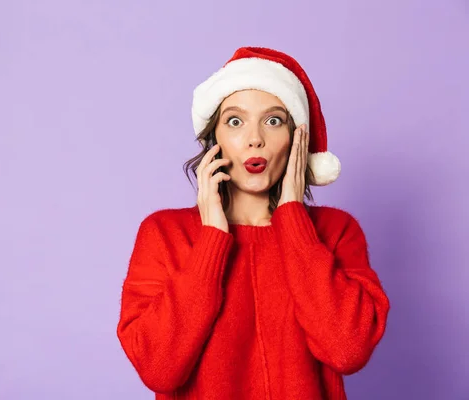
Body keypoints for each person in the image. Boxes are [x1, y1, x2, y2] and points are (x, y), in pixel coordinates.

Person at [116, 46, 390, 400]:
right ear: (215, 139)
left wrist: (293, 220)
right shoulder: (165, 234)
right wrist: (212, 237)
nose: (255, 138)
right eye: (235, 121)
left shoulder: (336, 231)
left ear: (296, 138)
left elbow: (347, 350)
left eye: (273, 120)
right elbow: (159, 368)